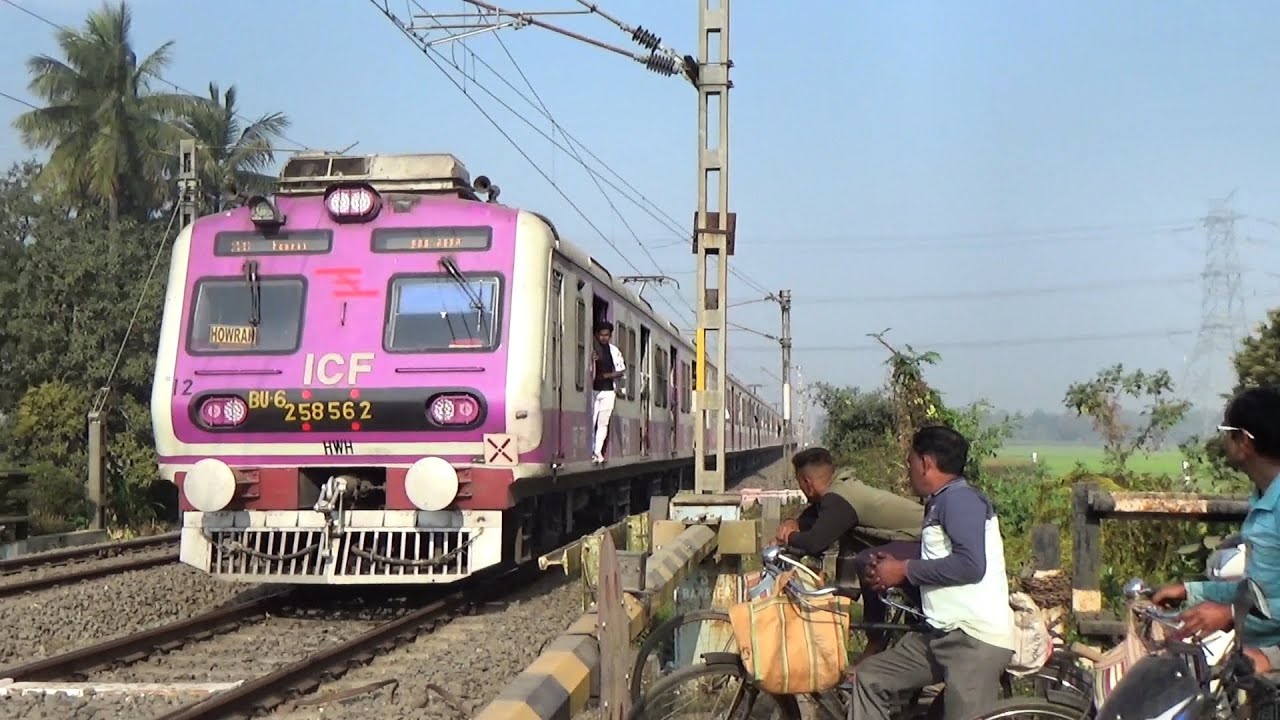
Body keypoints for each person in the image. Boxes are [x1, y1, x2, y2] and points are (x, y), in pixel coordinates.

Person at [852, 425, 1016, 720]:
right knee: (871, 677)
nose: (908, 471)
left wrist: (903, 570)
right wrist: (893, 566)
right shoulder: (941, 500)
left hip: (973, 640)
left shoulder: (960, 500)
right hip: (941, 635)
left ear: (926, 463)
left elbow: (971, 564)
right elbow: (940, 557)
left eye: (910, 463)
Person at [1149, 387, 1280, 672]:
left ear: (1243, 441)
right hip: (1260, 643)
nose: (1223, 440)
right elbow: (1257, 591)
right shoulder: (1264, 496)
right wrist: (1190, 591)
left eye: (1226, 431)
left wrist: (1230, 613)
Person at [774, 447, 925, 657]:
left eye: (800, 484)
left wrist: (788, 537)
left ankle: (875, 641)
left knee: (870, 562)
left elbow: (816, 542)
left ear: (806, 483)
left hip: (924, 540)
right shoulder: (839, 489)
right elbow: (817, 515)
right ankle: (883, 639)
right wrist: (794, 522)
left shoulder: (840, 499)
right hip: (915, 540)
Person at [590, 320, 626, 464]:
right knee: (591, 420)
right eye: (601, 335)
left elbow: (621, 371)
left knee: (602, 423)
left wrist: (606, 376)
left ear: (610, 336)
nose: (604, 338)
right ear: (597, 335)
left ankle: (597, 451)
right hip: (593, 390)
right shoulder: (592, 350)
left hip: (608, 391)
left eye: (607, 335)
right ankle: (591, 450)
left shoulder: (614, 351)